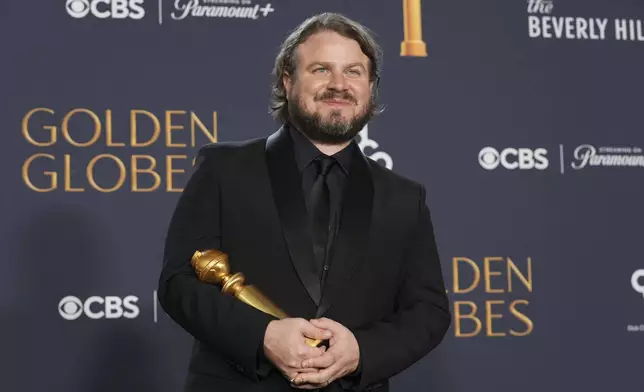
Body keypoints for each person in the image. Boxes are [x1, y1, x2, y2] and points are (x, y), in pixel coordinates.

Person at [158, 12, 451, 392]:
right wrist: (262, 336)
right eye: (321, 70)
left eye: (353, 72)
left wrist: (361, 351)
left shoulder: (404, 198)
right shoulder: (224, 169)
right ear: (287, 79)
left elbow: (428, 312)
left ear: (370, 87)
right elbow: (178, 282)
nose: (339, 85)